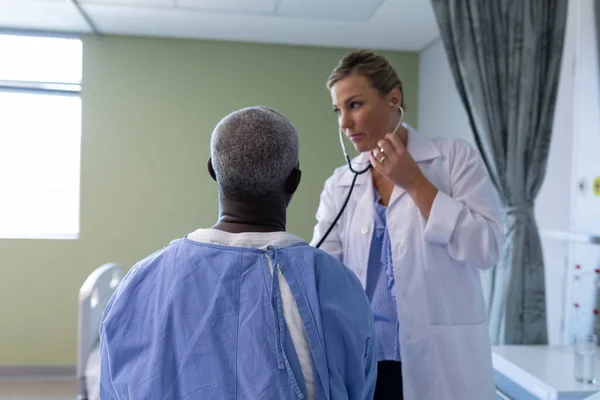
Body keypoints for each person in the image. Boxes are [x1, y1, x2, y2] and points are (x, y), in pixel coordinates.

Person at [99, 106, 377, 399]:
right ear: (293, 180)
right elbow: (360, 385)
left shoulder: (140, 283)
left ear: (213, 170)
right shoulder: (339, 287)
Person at [311, 50, 504, 400]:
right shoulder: (340, 184)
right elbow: (322, 274)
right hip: (366, 365)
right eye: (338, 110)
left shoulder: (453, 159)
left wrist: (415, 183)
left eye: (354, 105)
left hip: (442, 365)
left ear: (394, 100)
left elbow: (487, 248)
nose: (344, 123)